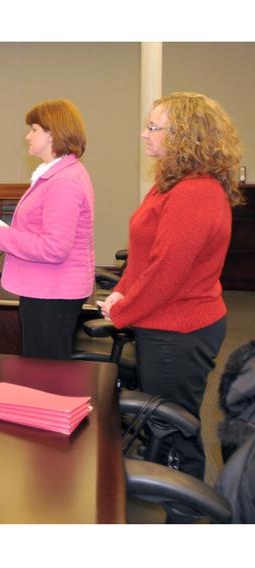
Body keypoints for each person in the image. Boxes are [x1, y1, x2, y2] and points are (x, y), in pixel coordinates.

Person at [100, 92, 243, 480]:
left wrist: (122, 311)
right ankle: (166, 482)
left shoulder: (195, 192)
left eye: (153, 126)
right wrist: (122, 291)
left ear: (184, 134)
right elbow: (144, 252)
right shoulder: (170, 182)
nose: (143, 134)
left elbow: (168, 272)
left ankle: (184, 503)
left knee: (173, 422)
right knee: (162, 416)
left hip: (180, 329)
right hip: (164, 321)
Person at [0, 98, 95, 360]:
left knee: (45, 373)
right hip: (48, 288)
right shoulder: (60, 174)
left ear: (53, 133)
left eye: (34, 129)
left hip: (52, 292)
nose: (27, 136)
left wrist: (3, 235)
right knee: (43, 367)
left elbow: (54, 248)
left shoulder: (63, 181)